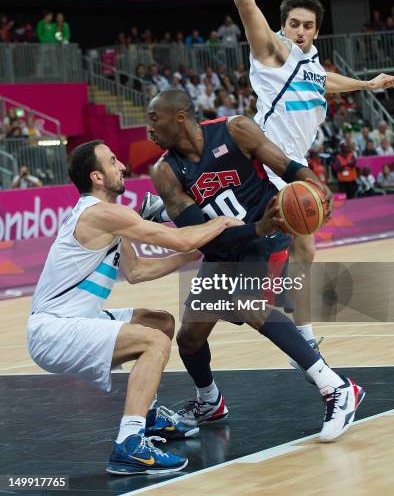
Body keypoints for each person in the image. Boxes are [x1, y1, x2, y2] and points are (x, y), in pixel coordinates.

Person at [199, 0, 394, 359]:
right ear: (283, 26)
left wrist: (366, 84)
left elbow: (326, 80)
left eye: (308, 26)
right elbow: (247, 8)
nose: (302, 32)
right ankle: (268, 317)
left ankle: (299, 329)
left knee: (305, 246)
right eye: (295, 25)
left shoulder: (310, 63)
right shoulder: (272, 51)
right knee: (258, 254)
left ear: (316, 30)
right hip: (265, 162)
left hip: (293, 167)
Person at [145, 89, 365, 443]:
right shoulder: (166, 172)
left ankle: (336, 387)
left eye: (154, 120)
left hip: (267, 238)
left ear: (180, 116)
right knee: (189, 339)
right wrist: (254, 228)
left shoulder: (236, 130)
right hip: (223, 249)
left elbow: (286, 166)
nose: (148, 130)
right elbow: (199, 237)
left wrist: (313, 183)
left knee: (250, 305)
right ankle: (209, 402)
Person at [27, 140, 242, 476]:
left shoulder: (109, 219)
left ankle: (149, 415)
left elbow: (138, 271)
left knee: (159, 324)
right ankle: (129, 444)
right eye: (113, 162)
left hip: (73, 320)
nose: (122, 166)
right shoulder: (103, 214)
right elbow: (183, 237)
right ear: (97, 177)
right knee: (153, 343)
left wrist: (192, 255)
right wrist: (223, 222)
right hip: (54, 330)